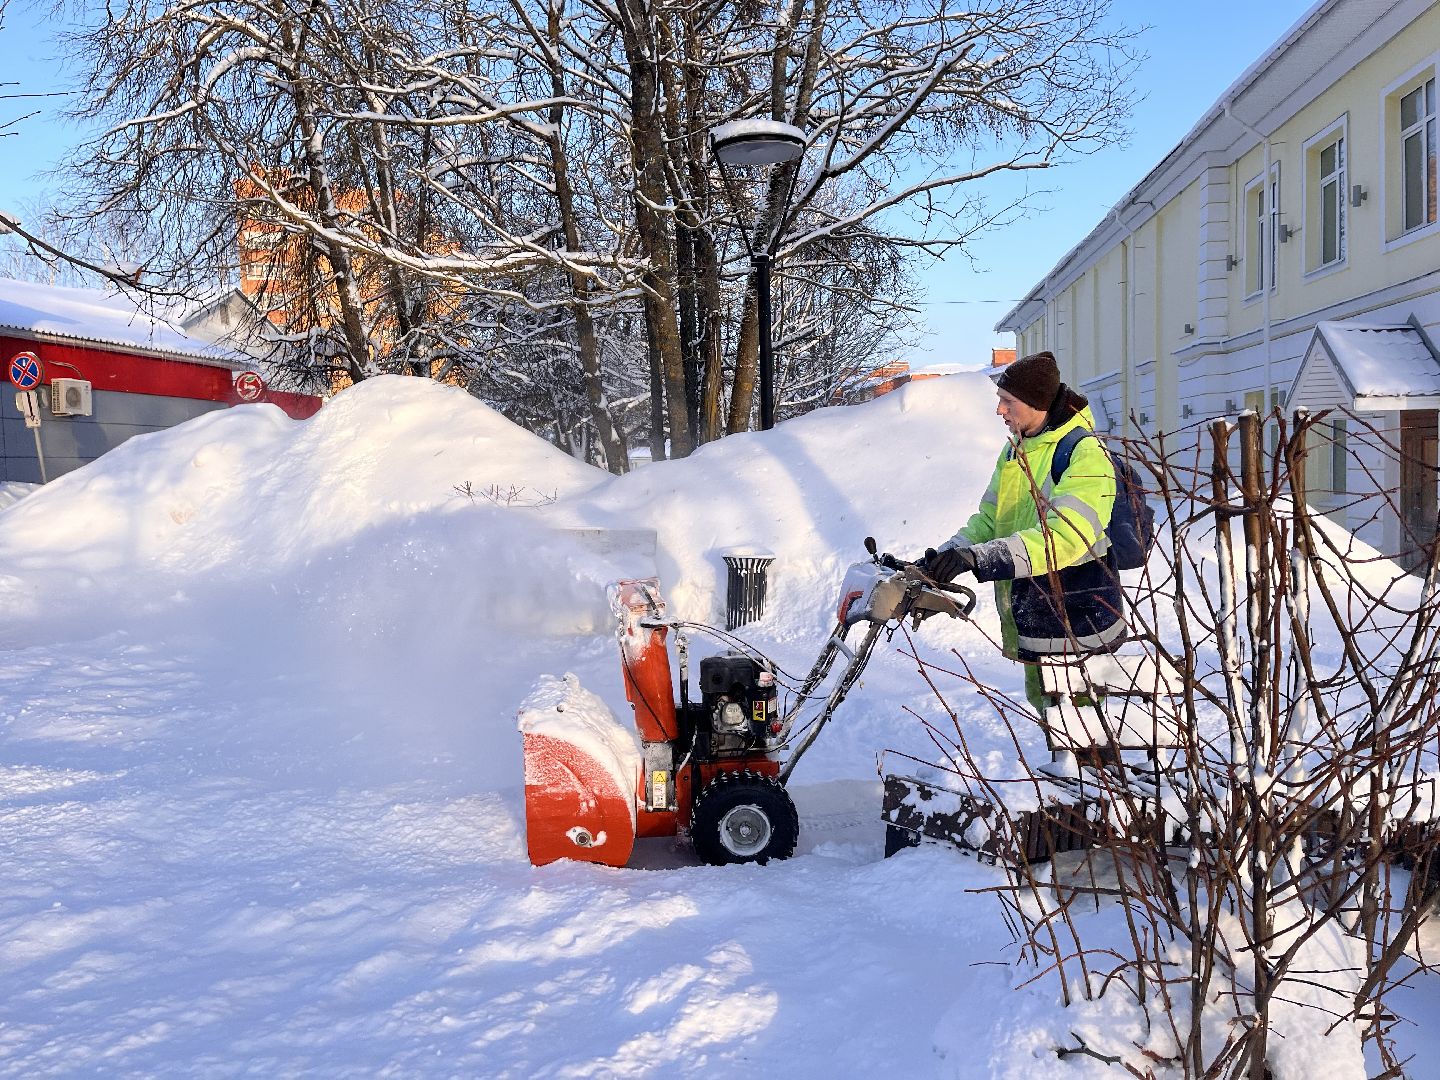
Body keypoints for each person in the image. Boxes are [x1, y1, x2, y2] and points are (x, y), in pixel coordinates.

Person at [919, 350, 1125, 715]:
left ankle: (1091, 773)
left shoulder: (1084, 453)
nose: (1000, 410)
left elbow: (1066, 539)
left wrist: (979, 559)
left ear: (1036, 403)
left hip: (1075, 619)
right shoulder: (1016, 449)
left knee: (1084, 726)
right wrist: (947, 555)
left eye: (1007, 400)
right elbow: (989, 519)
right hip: (1033, 612)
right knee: (1050, 713)